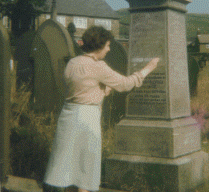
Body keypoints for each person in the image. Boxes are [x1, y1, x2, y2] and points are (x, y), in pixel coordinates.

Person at [43, 26, 160, 192]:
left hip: (68, 116)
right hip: (86, 118)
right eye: (107, 45)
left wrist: (102, 90)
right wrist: (148, 69)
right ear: (99, 46)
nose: (109, 49)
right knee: (86, 167)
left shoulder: (72, 62)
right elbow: (125, 84)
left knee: (63, 163)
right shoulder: (98, 67)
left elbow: (79, 89)